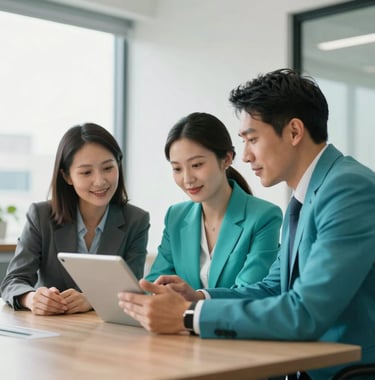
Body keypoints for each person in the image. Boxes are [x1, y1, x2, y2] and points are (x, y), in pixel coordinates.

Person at [117, 69, 375, 380]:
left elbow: (305, 312)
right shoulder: (305, 196)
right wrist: (198, 298)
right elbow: (271, 288)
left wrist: (189, 316)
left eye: (252, 139)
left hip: (346, 373)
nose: (247, 156)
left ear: (294, 132)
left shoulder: (347, 188)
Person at [1, 123, 150, 316]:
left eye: (107, 168)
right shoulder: (41, 215)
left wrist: (90, 298)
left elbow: (133, 289)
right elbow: (13, 281)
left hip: (106, 333)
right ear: (67, 176)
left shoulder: (136, 220)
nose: (100, 181)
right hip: (49, 330)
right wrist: (31, 298)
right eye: (86, 172)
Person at [146, 112, 282, 291]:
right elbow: (155, 283)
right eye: (177, 168)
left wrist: (194, 300)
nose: (187, 179)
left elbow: (248, 292)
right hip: (177, 319)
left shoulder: (263, 217)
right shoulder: (176, 216)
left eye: (197, 165)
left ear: (226, 159)